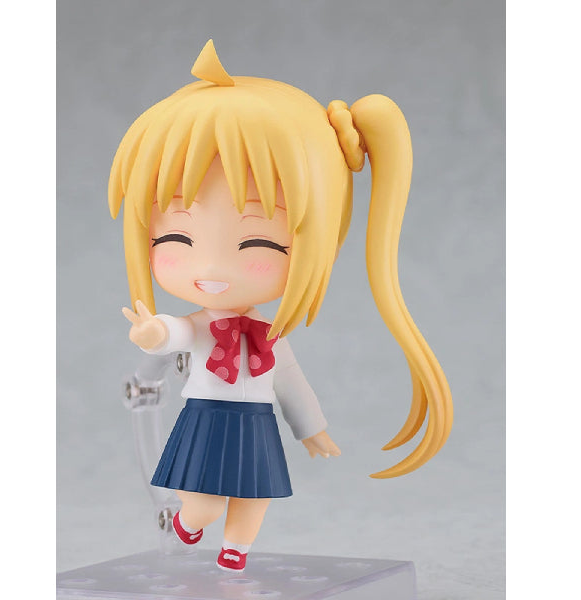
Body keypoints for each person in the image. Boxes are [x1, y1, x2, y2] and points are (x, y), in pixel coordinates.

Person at [109, 40, 452, 572]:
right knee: (202, 499)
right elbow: (177, 332)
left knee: (255, 494)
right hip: (205, 418)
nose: (212, 267)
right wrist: (154, 334)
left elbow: (291, 382)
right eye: (176, 238)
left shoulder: (270, 335)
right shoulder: (203, 324)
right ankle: (190, 522)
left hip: (256, 422)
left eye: (258, 244)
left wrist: (311, 428)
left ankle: (236, 549)